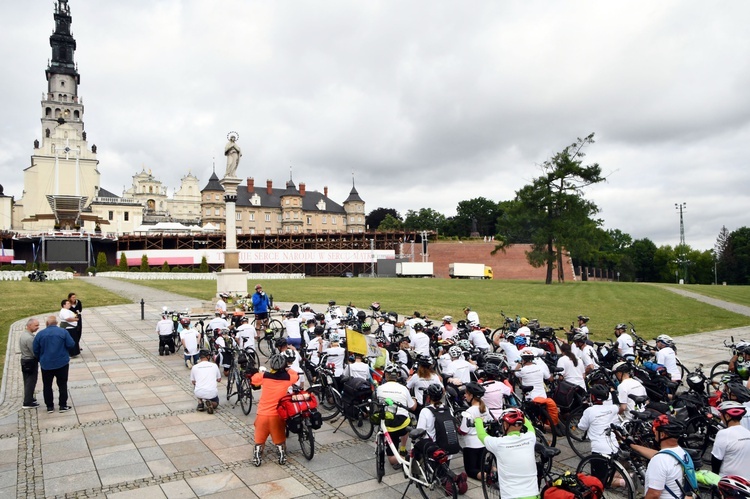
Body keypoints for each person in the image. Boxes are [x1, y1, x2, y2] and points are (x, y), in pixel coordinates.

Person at [475, 408, 539, 499]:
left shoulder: (499, 444)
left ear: (505, 425)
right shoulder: (530, 438)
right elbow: (531, 428)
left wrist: (477, 421)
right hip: (533, 495)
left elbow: (481, 435)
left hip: (511, 496)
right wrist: (520, 414)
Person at [251, 354, 299, 466]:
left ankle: (257, 453)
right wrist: (288, 368)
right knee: (280, 439)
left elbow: (253, 380)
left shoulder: (264, 376)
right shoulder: (288, 378)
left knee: (259, 439)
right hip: (277, 415)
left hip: (262, 414)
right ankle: (281, 454)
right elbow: (295, 376)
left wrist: (261, 372)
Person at [629, 414, 692, 499]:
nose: (654, 433)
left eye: (655, 430)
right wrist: (633, 446)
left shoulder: (659, 460)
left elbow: (654, 494)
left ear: (662, 435)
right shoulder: (681, 452)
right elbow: (658, 455)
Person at [578, 384, 623, 486]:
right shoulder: (611, 408)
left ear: (592, 397)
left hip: (599, 450)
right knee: (609, 470)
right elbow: (617, 404)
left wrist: (584, 410)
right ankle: (627, 476)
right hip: (614, 446)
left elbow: (581, 427)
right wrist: (612, 392)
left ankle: (623, 482)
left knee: (598, 481)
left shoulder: (590, 411)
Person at [376, 364, 417, 468]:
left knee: (392, 459)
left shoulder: (379, 388)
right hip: (403, 423)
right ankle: (403, 448)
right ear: (398, 375)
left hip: (388, 424)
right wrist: (414, 399)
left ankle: (400, 458)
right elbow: (413, 408)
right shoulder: (403, 389)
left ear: (385, 375)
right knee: (408, 418)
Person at [32, 316, 75, 413]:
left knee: (47, 385)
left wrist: (41, 358)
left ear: (47, 324)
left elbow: (35, 349)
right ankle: (63, 405)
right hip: (61, 363)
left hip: (46, 364)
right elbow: (71, 344)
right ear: (56, 323)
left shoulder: (40, 334)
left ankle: (49, 406)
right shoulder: (63, 332)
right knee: (62, 384)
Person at [459, 382, 490, 480]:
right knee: (481, 466)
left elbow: (464, 430)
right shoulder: (485, 408)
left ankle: (489, 478)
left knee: (471, 470)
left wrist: (457, 429)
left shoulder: (469, 412)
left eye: (466, 393)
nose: (465, 396)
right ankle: (495, 471)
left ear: (471, 395)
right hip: (482, 443)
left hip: (471, 446)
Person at [711, 401, 750, 477]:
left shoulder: (723, 434)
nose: (720, 417)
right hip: (746, 481)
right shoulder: (748, 433)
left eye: (721, 414)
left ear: (727, 416)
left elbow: (716, 460)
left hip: (727, 480)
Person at [191, 349, 221, 414]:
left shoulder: (195, 367)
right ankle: (211, 404)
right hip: (212, 392)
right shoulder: (214, 365)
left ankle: (200, 402)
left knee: (196, 384)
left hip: (199, 392)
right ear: (208, 356)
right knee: (216, 402)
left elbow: (193, 382)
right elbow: (219, 379)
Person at [20, 318, 40, 409]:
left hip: (25, 360)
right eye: (36, 325)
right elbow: (34, 352)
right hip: (30, 361)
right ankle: (27, 401)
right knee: (30, 381)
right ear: (29, 325)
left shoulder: (24, 335)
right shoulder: (29, 338)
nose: (37, 327)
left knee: (28, 380)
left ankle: (30, 398)